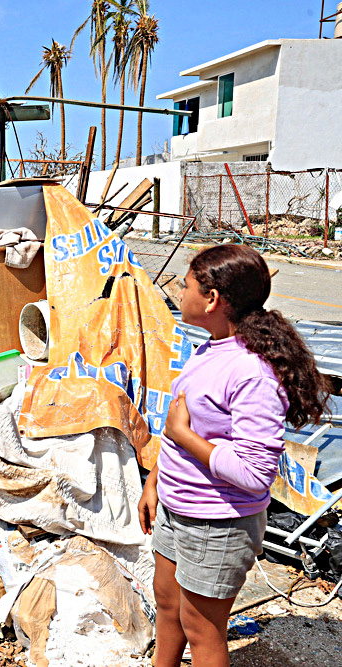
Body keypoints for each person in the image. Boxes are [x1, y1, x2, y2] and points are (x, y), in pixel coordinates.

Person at [138, 244, 330, 667]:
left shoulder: (251, 372)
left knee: (202, 631)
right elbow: (186, 428)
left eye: (186, 286)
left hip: (217, 523)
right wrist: (155, 481)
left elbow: (254, 472)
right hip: (178, 507)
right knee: (168, 608)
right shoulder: (210, 348)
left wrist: (183, 436)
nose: (179, 292)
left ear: (211, 299)